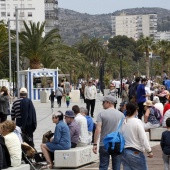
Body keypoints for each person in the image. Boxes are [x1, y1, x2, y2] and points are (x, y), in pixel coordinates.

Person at [93, 95, 124, 170]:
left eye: (103, 102)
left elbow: (98, 129)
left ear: (108, 102)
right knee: (117, 167)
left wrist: (95, 143)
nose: (102, 104)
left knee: (103, 166)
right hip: (117, 143)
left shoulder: (101, 114)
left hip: (104, 143)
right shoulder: (121, 115)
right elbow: (123, 130)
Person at [121, 102, 153, 170]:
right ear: (136, 110)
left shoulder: (122, 122)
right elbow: (143, 138)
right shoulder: (137, 122)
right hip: (135, 151)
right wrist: (149, 151)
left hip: (124, 151)